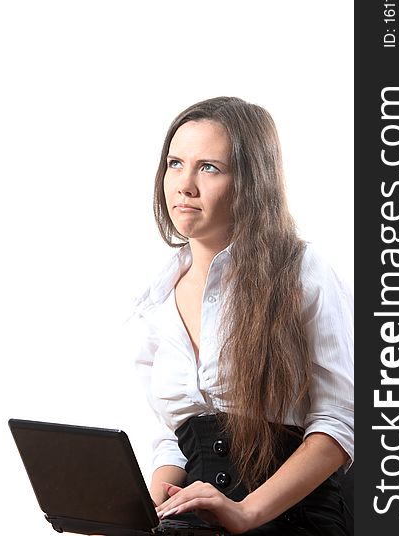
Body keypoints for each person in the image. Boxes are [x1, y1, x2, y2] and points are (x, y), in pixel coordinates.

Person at [130, 96, 354, 535]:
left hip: (294, 515)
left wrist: (246, 511)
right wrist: (140, 514)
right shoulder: (156, 301)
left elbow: (339, 424)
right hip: (198, 521)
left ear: (252, 182)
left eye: (209, 167)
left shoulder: (302, 271)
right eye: (175, 164)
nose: (184, 185)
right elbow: (172, 444)